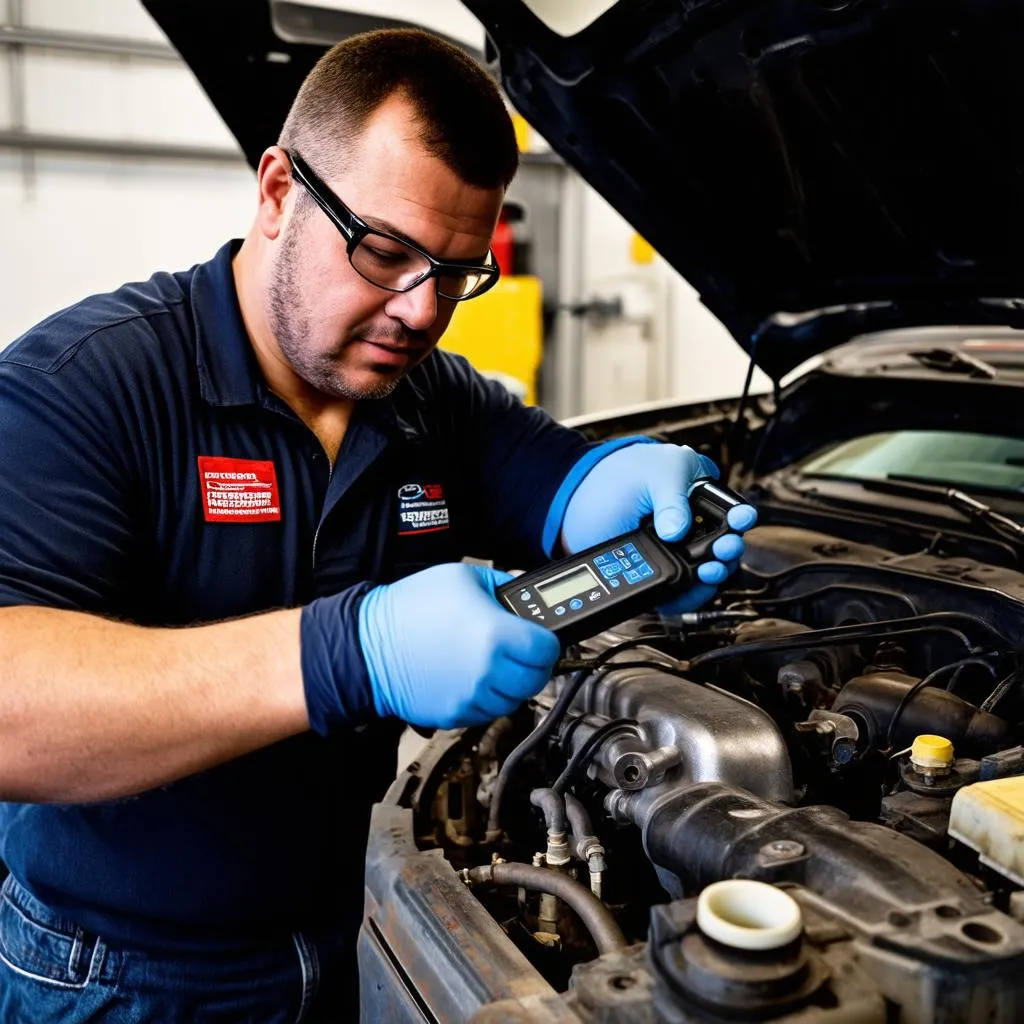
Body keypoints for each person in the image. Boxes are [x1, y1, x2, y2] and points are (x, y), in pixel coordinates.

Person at [0, 27, 756, 1023]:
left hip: (343, 931)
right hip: (118, 973)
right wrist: (346, 653)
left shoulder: (429, 400)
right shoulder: (87, 387)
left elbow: (556, 480)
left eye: (456, 271)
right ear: (276, 191)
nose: (419, 308)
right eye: (385, 252)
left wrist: (624, 489)